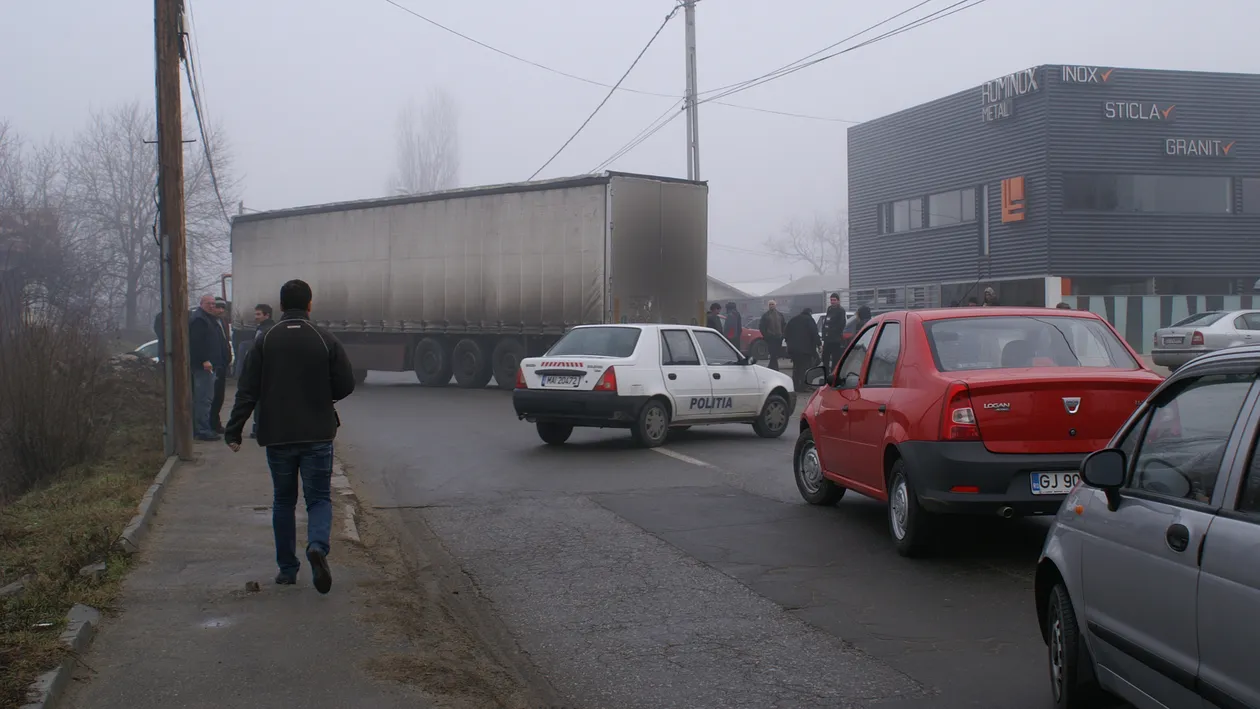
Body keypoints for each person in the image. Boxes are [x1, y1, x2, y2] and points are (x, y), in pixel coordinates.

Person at [225, 279, 357, 593]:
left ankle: (287, 569)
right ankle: (317, 546)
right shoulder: (324, 338)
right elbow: (346, 383)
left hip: (278, 434)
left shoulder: (265, 339)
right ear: (309, 304)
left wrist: (234, 429)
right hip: (317, 433)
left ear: (281, 306)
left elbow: (247, 389)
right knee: (319, 498)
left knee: (283, 501)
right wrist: (324, 396)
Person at [188, 294, 228, 440]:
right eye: (209, 303)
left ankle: (207, 427)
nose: (212, 306)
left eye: (213, 304)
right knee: (203, 399)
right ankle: (202, 430)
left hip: (213, 365)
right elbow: (196, 342)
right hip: (204, 367)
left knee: (208, 398)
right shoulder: (199, 320)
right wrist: (204, 360)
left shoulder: (209, 319)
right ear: (201, 304)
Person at [248, 304, 276, 440]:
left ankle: (259, 427)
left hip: (263, 370)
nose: (256, 317)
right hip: (267, 369)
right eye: (255, 314)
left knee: (261, 400)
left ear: (267, 315)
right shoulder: (265, 328)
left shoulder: (266, 330)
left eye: (258, 314)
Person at [209, 297, 232, 433]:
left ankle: (215, 422)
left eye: (223, 308)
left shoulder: (222, 322)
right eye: (218, 307)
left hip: (222, 364)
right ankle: (210, 423)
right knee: (211, 396)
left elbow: (225, 341)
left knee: (219, 397)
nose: (221, 310)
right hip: (214, 364)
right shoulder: (209, 322)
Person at [785, 307, 821, 392]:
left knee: (796, 367)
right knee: (805, 368)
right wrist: (819, 344)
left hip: (793, 350)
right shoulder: (809, 320)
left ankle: (795, 386)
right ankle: (804, 386)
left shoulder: (793, 320)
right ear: (810, 313)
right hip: (805, 350)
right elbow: (814, 333)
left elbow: (786, 332)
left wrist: (789, 344)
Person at [819, 292, 848, 375]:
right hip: (827, 339)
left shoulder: (841, 310)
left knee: (835, 358)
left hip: (835, 340)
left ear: (838, 301)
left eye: (834, 300)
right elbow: (826, 322)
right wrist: (824, 334)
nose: (832, 302)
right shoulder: (829, 309)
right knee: (825, 358)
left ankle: (833, 374)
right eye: (831, 300)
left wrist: (832, 331)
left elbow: (841, 324)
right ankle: (826, 373)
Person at [758, 300, 787, 371]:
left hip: (779, 337)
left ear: (775, 305)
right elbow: (762, 327)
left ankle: (771, 367)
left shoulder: (780, 315)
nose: (771, 306)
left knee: (776, 353)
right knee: (772, 352)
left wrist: (783, 335)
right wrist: (766, 336)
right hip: (770, 337)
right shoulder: (765, 315)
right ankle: (775, 367)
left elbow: (784, 325)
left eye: (772, 304)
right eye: (770, 304)